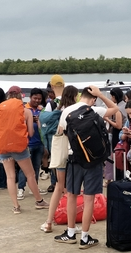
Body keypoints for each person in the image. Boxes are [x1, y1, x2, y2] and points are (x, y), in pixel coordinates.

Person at [53, 86, 120, 248]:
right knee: (89, 198)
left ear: (79, 96)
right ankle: (84, 237)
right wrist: (100, 95)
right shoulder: (94, 110)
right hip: (94, 160)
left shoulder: (66, 111)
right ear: (93, 98)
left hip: (74, 158)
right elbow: (115, 108)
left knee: (72, 195)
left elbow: (61, 132)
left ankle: (70, 233)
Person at [0, 86, 50, 214]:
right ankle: (39, 201)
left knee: (10, 177)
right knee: (30, 174)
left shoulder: (0, 108)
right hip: (19, 147)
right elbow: (30, 132)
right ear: (20, 96)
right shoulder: (25, 111)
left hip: (3, 146)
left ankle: (16, 206)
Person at [41, 84, 78, 233]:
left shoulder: (57, 110)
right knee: (71, 191)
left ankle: (49, 222)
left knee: (58, 186)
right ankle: (71, 226)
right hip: (72, 153)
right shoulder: (75, 111)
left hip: (58, 153)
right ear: (74, 97)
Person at [17, 88, 47, 200]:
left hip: (39, 142)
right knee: (24, 168)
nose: (37, 101)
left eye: (39, 99)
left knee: (36, 166)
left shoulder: (42, 110)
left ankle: (34, 187)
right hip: (27, 143)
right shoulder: (24, 109)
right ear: (30, 97)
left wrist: (40, 120)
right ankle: (21, 188)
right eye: (35, 98)